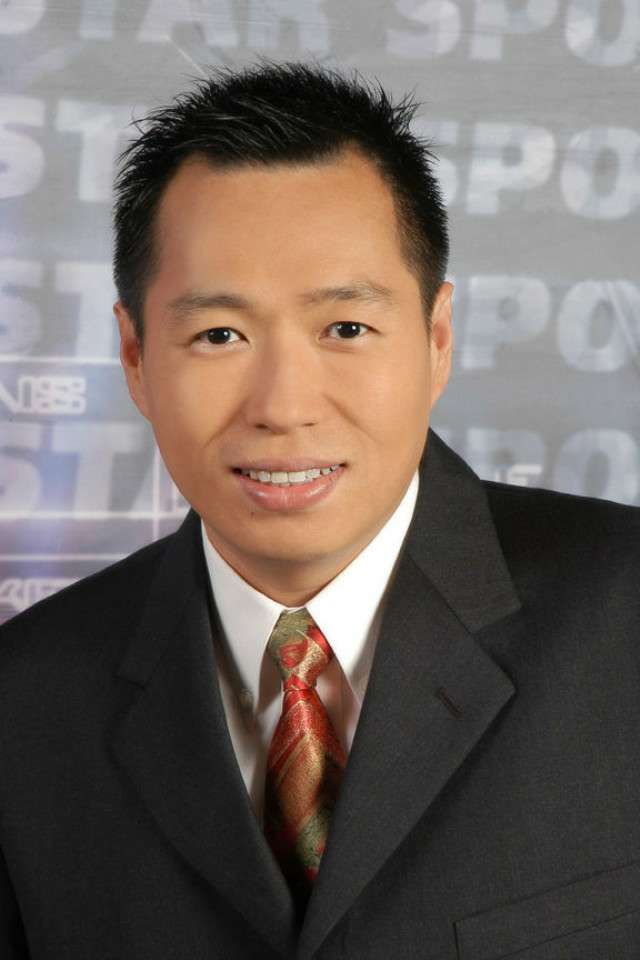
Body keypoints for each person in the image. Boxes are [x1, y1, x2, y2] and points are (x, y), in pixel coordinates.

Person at [1, 59, 639, 960]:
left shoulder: (623, 615)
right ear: (136, 358)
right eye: (219, 334)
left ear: (437, 339)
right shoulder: (24, 703)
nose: (285, 406)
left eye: (346, 328)